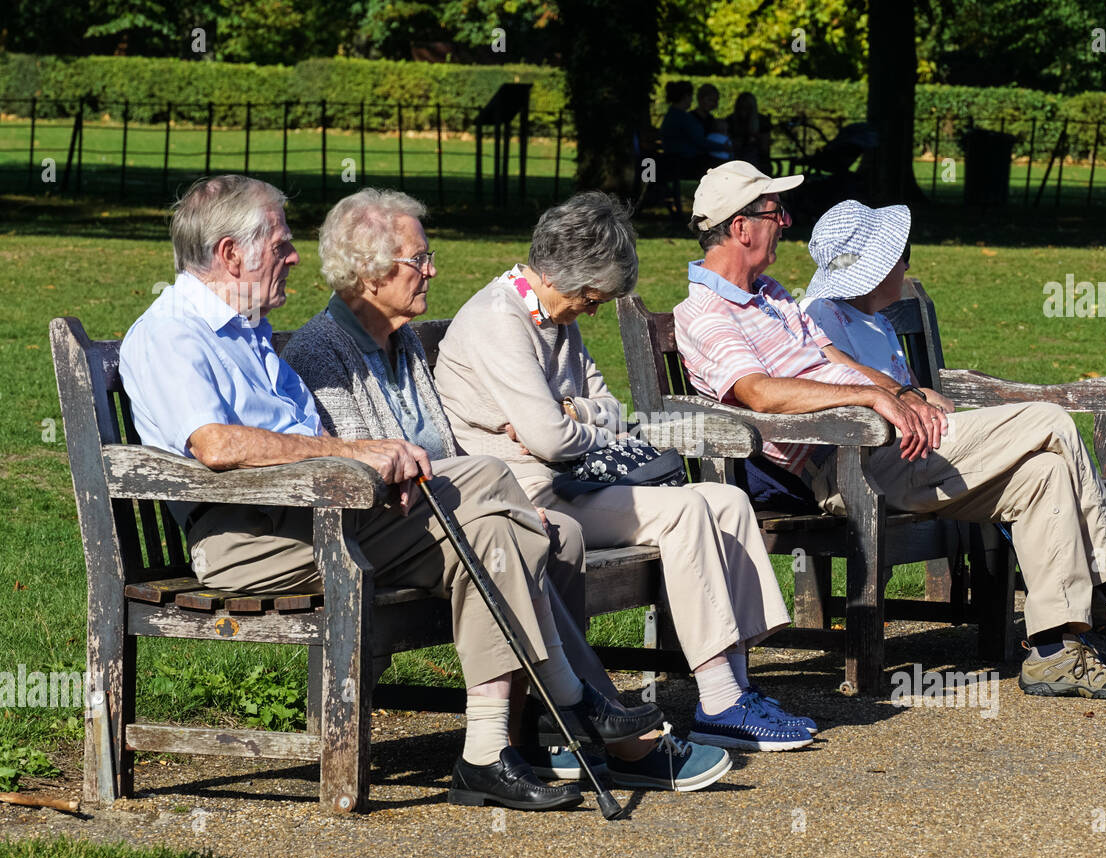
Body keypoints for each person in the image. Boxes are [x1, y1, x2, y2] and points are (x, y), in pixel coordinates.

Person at [119, 175, 661, 812]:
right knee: (486, 478)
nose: (294, 257)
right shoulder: (173, 332)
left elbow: (305, 434)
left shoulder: (248, 333)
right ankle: (573, 699)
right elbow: (214, 445)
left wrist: (373, 477)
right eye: (282, 244)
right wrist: (359, 458)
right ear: (232, 254)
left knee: (492, 530)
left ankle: (486, 754)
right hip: (251, 539)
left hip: (319, 514)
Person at [670, 163, 1106, 701]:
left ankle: (1053, 652)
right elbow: (757, 392)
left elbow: (836, 359)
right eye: (775, 212)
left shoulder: (773, 296)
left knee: (1045, 473)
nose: (785, 223)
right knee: (1048, 420)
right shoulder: (707, 312)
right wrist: (869, 399)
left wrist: (901, 393)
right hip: (850, 461)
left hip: (893, 446)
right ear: (742, 227)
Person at [279, 188, 728, 793]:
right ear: (369, 270)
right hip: (379, 534)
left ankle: (534, 734)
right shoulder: (320, 349)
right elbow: (366, 474)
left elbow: (448, 449)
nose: (432, 270)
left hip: (435, 515)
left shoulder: (403, 342)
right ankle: (597, 723)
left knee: (555, 532)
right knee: (518, 536)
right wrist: (499, 500)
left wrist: (506, 492)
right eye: (419, 259)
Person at [434, 190, 813, 753]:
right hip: (531, 494)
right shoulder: (498, 321)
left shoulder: (558, 315)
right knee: (685, 510)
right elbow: (547, 441)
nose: (592, 310)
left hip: (578, 479)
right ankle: (716, 700)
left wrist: (573, 416)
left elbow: (605, 408)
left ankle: (736, 687)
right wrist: (568, 427)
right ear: (566, 276)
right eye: (592, 297)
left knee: (728, 502)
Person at [659, 80, 711, 180]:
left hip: (677, 161)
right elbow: (700, 141)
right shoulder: (682, 117)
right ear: (686, 96)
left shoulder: (672, 114)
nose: (692, 100)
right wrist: (723, 147)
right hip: (685, 163)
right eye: (691, 96)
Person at [726, 92, 772, 172]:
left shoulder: (762, 121)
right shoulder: (731, 120)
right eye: (742, 108)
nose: (744, 111)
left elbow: (764, 147)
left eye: (747, 108)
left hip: (754, 157)